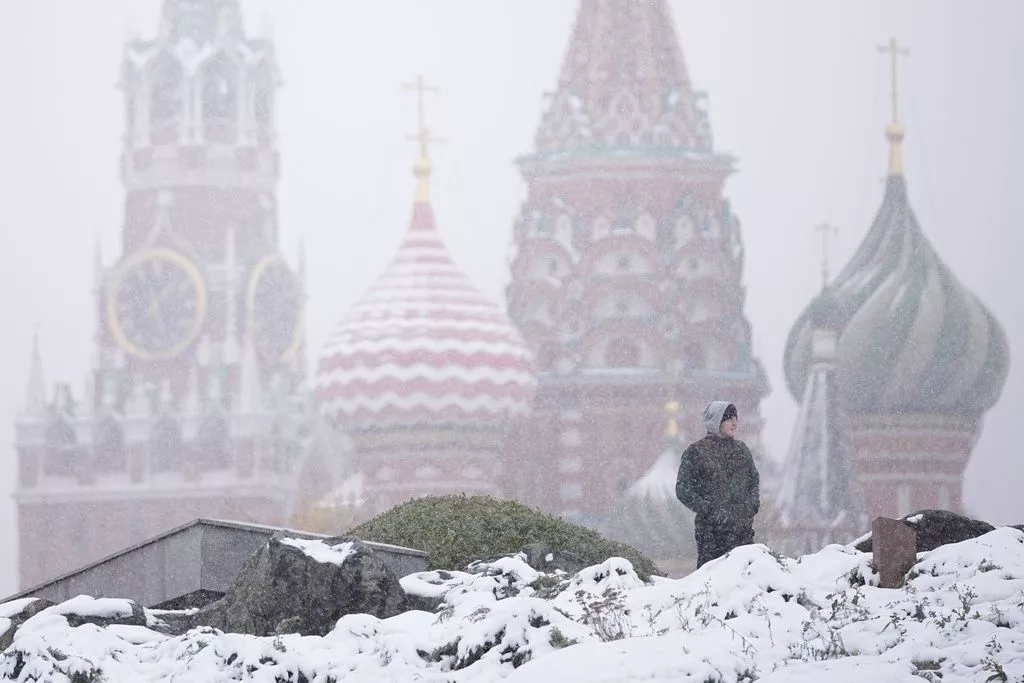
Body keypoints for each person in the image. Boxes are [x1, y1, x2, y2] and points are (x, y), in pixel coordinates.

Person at [675, 400, 760, 568]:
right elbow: (683, 489)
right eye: (728, 418)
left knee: (745, 582)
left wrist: (751, 507)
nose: (734, 423)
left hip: (742, 531)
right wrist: (710, 510)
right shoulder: (696, 452)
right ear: (716, 421)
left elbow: (753, 481)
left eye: (735, 418)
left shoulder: (741, 450)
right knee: (712, 584)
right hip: (711, 534)